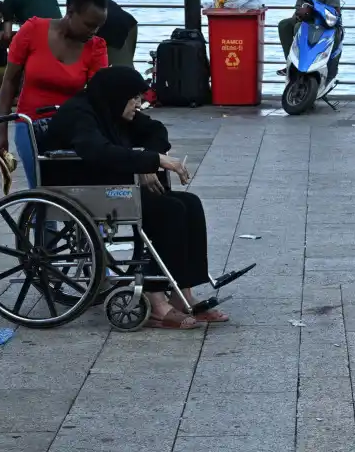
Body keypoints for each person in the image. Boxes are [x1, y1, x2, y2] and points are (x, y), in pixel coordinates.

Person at [42, 66, 226, 330]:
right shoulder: (80, 113)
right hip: (82, 186)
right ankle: (155, 299)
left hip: (110, 182)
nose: (139, 104)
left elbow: (156, 130)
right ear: (118, 95)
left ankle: (181, 294)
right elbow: (97, 151)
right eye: (135, 98)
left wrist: (148, 162)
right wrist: (149, 160)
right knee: (167, 210)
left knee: (190, 203)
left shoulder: (114, 109)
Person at [0, 0, 110, 186]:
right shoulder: (32, 30)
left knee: (77, 191)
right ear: (70, 12)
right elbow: (9, 82)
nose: (93, 31)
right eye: (89, 25)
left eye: (98, 26)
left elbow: (100, 96)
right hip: (29, 123)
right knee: (42, 188)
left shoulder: (96, 47)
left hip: (72, 127)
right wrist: (1, 132)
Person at [279, 0, 342, 67]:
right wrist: (297, 15)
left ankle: (304, 63)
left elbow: (335, 11)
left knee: (299, 28)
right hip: (305, 20)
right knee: (284, 25)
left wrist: (313, 11)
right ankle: (291, 63)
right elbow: (298, 7)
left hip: (322, 24)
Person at [84, 0, 139, 68]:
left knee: (121, 72)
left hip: (114, 28)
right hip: (130, 23)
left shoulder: (84, 6)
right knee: (126, 68)